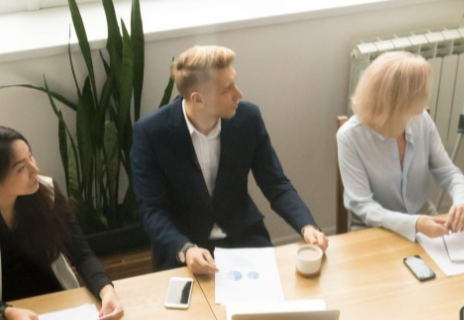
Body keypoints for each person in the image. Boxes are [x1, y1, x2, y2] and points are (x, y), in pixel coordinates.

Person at [130, 45, 328, 274]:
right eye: (227, 89)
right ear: (198, 99)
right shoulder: (151, 133)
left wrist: (307, 226)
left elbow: (275, 183)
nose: (239, 94)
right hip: (186, 248)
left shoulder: (248, 119)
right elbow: (152, 209)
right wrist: (185, 248)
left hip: (244, 237)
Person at [0, 126, 124, 320]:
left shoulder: (47, 190)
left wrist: (106, 290)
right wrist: (10, 313)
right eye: (20, 168)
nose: (35, 170)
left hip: (58, 306)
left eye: (31, 156)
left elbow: (82, 254)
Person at [338, 52, 464, 240]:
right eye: (421, 93)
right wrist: (414, 224)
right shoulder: (350, 137)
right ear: (400, 101)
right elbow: (363, 206)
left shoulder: (421, 120)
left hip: (425, 223)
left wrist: (462, 202)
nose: (426, 99)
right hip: (375, 231)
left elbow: (449, 173)